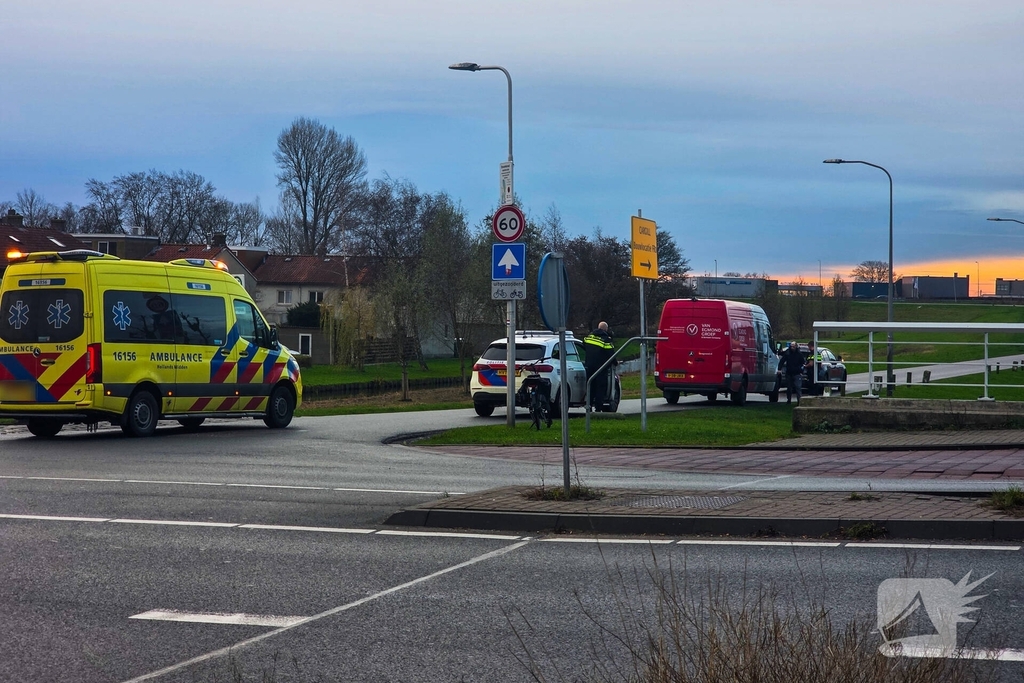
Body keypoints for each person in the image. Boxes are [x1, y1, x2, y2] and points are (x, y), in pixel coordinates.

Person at [584, 321, 615, 406]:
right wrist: (615, 363)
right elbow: (611, 354)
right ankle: (598, 407)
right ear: (606, 329)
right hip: (601, 367)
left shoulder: (589, 337)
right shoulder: (606, 340)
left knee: (590, 386)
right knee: (600, 387)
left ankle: (588, 406)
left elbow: (584, 347)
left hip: (589, 366)